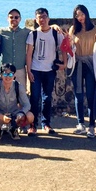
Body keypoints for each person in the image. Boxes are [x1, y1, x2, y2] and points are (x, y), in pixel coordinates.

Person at [25, 7, 65, 135]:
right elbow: (29, 54)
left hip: (49, 70)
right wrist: (29, 71)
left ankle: (46, 123)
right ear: (36, 19)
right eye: (39, 17)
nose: (42, 19)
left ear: (48, 18)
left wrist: (64, 63)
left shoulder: (55, 33)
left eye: (44, 17)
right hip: (36, 69)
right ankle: (33, 125)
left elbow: (64, 47)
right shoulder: (33, 34)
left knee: (47, 98)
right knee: (34, 98)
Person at [68, 4, 96, 138]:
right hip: (78, 64)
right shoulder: (73, 29)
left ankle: (92, 126)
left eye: (81, 14)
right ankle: (81, 123)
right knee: (78, 95)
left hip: (91, 65)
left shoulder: (95, 30)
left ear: (86, 13)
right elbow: (68, 46)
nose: (80, 17)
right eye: (77, 15)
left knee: (91, 96)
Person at [0, 64, 34, 141]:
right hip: (0, 114)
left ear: (14, 76)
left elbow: (27, 105)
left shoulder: (19, 87)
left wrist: (20, 114)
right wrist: (0, 116)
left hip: (14, 115)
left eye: (10, 74)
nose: (8, 77)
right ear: (1, 75)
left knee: (30, 116)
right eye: (5, 74)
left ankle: (14, 128)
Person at [0, 9, 31, 89]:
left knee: (21, 93)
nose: (14, 19)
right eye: (11, 17)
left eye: (16, 17)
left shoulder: (26, 32)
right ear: (7, 19)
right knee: (4, 92)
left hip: (20, 69)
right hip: (6, 70)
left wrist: (53, 26)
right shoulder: (1, 32)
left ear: (20, 19)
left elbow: (41, 31)